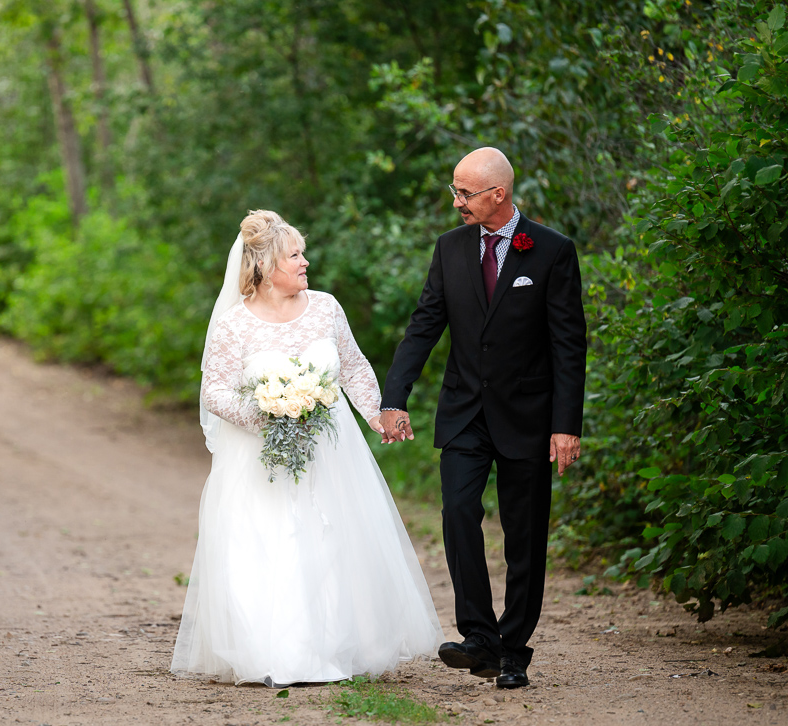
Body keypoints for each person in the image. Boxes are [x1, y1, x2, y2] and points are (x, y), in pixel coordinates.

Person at [171, 210, 444, 687]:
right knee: (271, 540)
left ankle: (333, 645)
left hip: (331, 453)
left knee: (331, 537)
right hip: (261, 456)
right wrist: (270, 415)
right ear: (263, 265)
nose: (305, 262)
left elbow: (353, 367)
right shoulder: (234, 325)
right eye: (294, 255)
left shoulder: (325, 307)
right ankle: (276, 651)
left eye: (302, 253)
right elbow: (214, 391)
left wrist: (378, 414)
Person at [376, 147, 587, 690]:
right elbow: (424, 326)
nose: (457, 201)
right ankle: (479, 636)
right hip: (465, 411)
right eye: (454, 190)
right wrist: (394, 397)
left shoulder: (551, 251)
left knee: (525, 536)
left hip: (529, 417)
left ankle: (513, 650)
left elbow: (569, 345)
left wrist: (566, 424)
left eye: (465, 192)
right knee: (458, 512)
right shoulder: (449, 248)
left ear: (499, 194)